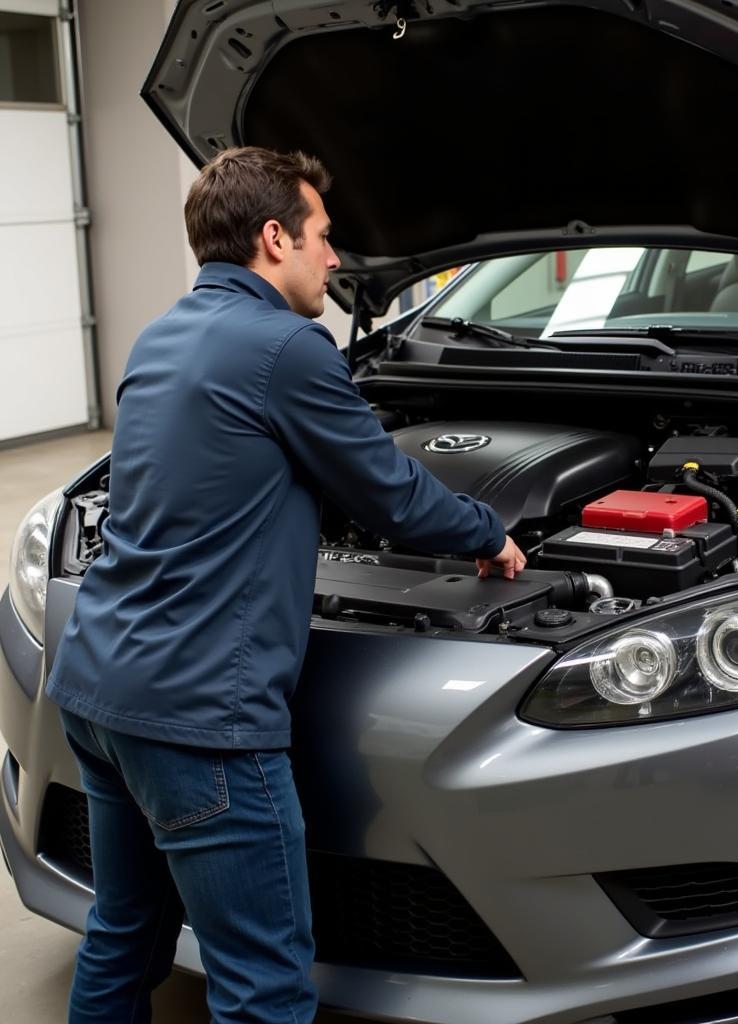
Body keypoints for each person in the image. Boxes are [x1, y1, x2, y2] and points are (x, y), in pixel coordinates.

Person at [45, 146, 526, 1024]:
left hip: (98, 687)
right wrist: (490, 536)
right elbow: (389, 493)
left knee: (124, 931)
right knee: (263, 983)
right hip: (200, 719)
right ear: (276, 238)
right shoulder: (285, 346)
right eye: (324, 237)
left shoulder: (163, 335)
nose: (336, 259)